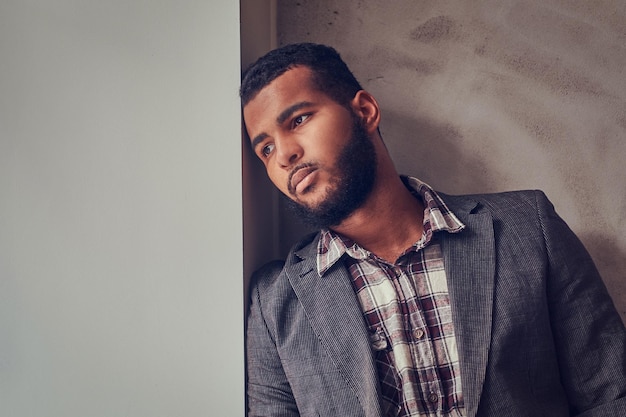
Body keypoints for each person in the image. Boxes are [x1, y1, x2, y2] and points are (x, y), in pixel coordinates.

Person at [240, 43, 626, 417]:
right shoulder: (276, 301)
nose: (285, 155)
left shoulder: (527, 227)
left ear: (365, 111)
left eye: (299, 120)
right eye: (266, 149)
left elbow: (611, 395)